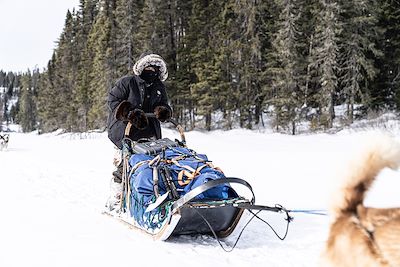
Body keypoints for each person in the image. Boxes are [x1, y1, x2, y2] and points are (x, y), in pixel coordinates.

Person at [106, 52, 172, 211]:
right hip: (124, 135)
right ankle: (116, 200)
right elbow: (113, 101)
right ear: (142, 67)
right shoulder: (127, 82)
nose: (153, 71)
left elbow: (164, 104)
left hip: (150, 136)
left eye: (156, 68)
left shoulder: (159, 87)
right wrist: (130, 113)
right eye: (149, 67)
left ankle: (147, 199)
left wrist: (163, 111)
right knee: (124, 167)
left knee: (152, 166)